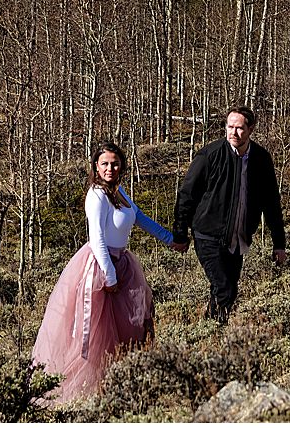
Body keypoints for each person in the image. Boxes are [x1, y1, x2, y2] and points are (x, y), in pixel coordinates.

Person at [31, 141, 174, 403]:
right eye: (105, 164)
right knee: (95, 333)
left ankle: (116, 385)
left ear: (122, 166)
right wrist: (109, 276)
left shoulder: (119, 193)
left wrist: (170, 239)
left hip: (122, 264)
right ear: (96, 167)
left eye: (115, 163)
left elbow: (139, 218)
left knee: (125, 329)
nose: (110, 168)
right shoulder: (96, 195)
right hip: (99, 268)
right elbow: (96, 238)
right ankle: (80, 391)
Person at [171, 105, 287, 322]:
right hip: (208, 235)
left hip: (237, 239)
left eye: (239, 128)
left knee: (228, 289)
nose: (233, 132)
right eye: (229, 127)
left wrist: (279, 244)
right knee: (224, 287)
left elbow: (272, 203)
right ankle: (214, 330)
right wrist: (180, 233)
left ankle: (210, 331)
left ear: (251, 129)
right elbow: (186, 194)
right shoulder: (209, 155)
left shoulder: (261, 159)